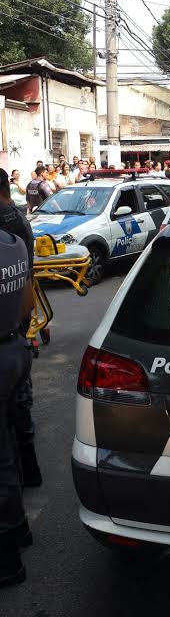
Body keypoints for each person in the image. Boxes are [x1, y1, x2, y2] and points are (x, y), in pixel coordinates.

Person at [0, 170, 41, 490]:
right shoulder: (18, 229)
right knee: (20, 408)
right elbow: (27, 298)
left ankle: (13, 527)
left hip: (6, 337)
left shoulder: (7, 226)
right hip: (17, 335)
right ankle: (31, 471)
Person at [0, 226, 35, 587]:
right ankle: (20, 528)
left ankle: (8, 557)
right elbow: (27, 304)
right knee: (9, 439)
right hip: (14, 350)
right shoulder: (14, 245)